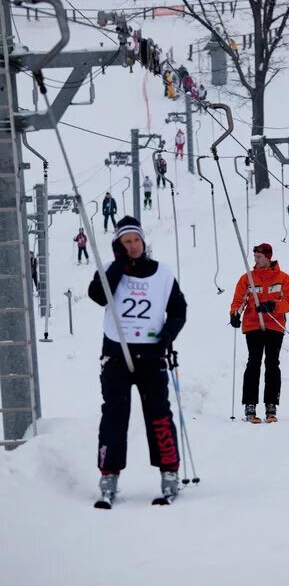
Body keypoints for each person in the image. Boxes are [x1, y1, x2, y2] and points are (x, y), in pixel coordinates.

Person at [88, 216, 187, 505]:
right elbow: (98, 296)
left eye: (135, 240)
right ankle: (109, 475)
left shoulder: (163, 273)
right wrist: (119, 264)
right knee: (114, 414)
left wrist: (169, 334)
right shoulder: (110, 270)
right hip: (117, 352)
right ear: (118, 245)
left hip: (151, 352)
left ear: (143, 241)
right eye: (125, 242)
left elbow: (179, 309)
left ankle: (169, 472)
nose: (132, 246)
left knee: (158, 413)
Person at [229, 243, 289, 424]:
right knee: (254, 362)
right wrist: (235, 313)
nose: (255, 259)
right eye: (255, 256)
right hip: (253, 325)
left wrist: (273, 306)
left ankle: (271, 404)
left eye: (259, 256)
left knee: (272, 363)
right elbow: (238, 300)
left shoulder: (284, 279)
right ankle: (250, 404)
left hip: (274, 325)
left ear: (268, 257)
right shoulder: (247, 279)